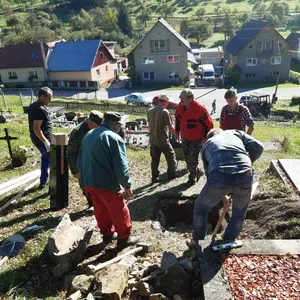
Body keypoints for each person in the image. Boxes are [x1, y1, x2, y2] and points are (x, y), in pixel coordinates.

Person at [189, 128, 264, 247]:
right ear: (221, 131)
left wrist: (221, 193)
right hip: (245, 175)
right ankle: (228, 240)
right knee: (239, 213)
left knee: (201, 208)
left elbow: (210, 176)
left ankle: (197, 241)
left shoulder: (206, 145)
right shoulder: (235, 133)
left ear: (210, 137)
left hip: (219, 177)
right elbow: (259, 147)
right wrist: (248, 162)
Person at [77, 112, 139, 250]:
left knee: (100, 209)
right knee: (119, 210)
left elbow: (80, 159)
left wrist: (83, 180)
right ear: (116, 125)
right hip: (106, 183)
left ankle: (107, 235)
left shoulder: (89, 133)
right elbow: (121, 166)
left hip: (89, 181)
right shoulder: (114, 138)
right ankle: (124, 238)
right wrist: (127, 185)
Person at [175, 89, 214, 186]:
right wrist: (177, 133)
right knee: (186, 156)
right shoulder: (180, 107)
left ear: (191, 98)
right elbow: (177, 120)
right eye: (180, 98)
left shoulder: (200, 109)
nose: (181, 101)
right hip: (185, 136)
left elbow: (208, 125)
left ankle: (191, 178)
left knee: (192, 158)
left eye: (183, 99)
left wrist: (204, 138)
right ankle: (197, 171)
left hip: (197, 139)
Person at [66, 110, 103, 207]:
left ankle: (98, 202)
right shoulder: (78, 132)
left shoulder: (97, 128)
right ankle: (91, 203)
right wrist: (75, 171)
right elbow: (70, 153)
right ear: (90, 123)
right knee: (86, 186)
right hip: (82, 164)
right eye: (97, 125)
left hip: (94, 161)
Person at [147, 94, 177, 183]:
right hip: (163, 139)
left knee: (155, 159)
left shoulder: (150, 110)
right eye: (167, 102)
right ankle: (171, 174)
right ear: (164, 102)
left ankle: (154, 177)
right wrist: (177, 135)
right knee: (171, 156)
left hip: (153, 139)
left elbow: (149, 126)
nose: (168, 104)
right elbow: (170, 127)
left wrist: (151, 134)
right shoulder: (164, 112)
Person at [28, 86, 53, 190]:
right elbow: (36, 128)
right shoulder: (39, 109)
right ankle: (48, 182)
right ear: (42, 96)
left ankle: (43, 181)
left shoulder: (33, 106)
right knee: (51, 160)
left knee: (46, 159)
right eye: (49, 98)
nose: (50, 100)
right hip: (42, 140)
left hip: (37, 139)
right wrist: (46, 141)